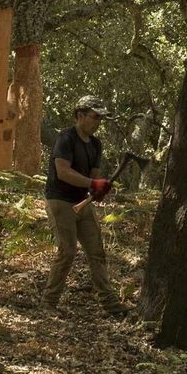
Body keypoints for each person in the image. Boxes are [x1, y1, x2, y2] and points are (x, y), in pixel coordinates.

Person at [42, 95, 121, 314]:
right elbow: (63, 172)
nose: (98, 122)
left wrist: (97, 189)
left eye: (101, 118)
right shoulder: (66, 139)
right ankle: (49, 303)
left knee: (97, 252)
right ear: (80, 116)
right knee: (67, 252)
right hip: (60, 201)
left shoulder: (96, 144)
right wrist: (92, 183)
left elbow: (92, 176)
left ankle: (109, 302)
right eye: (95, 117)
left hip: (82, 203)